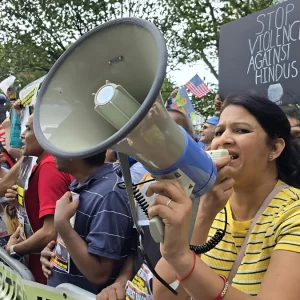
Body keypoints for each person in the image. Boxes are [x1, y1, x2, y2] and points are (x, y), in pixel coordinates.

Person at [151, 93, 300, 299]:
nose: (222, 140)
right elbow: (164, 295)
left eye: (241, 130)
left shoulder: (293, 212)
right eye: (219, 132)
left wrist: (183, 259)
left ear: (274, 148)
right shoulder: (210, 204)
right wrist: (204, 214)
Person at [96, 108, 199, 299]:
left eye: (169, 128)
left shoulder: (210, 194)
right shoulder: (143, 183)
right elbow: (138, 247)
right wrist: (121, 281)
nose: (159, 135)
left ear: (191, 139)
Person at [40, 152, 133, 294]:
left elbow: (99, 273)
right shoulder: (81, 184)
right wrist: (54, 254)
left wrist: (62, 224)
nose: (52, 153)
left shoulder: (109, 195)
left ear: (75, 152)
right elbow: (79, 242)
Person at [4, 114, 74, 284]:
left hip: (47, 272)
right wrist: (17, 204)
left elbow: (50, 232)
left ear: (45, 136)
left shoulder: (50, 166)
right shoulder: (41, 164)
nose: (22, 135)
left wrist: (12, 249)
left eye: (28, 129)